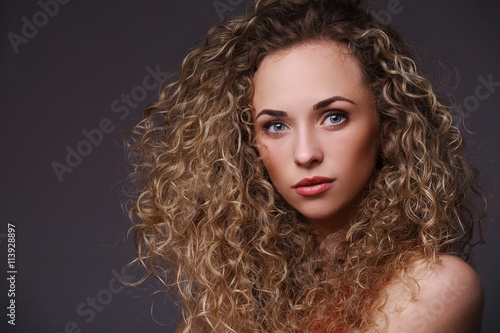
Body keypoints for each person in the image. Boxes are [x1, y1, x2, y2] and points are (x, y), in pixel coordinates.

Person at [125, 0, 487, 331]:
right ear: (247, 144)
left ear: (388, 123)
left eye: (333, 117)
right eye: (276, 126)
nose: (305, 153)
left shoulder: (434, 287)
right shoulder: (235, 297)